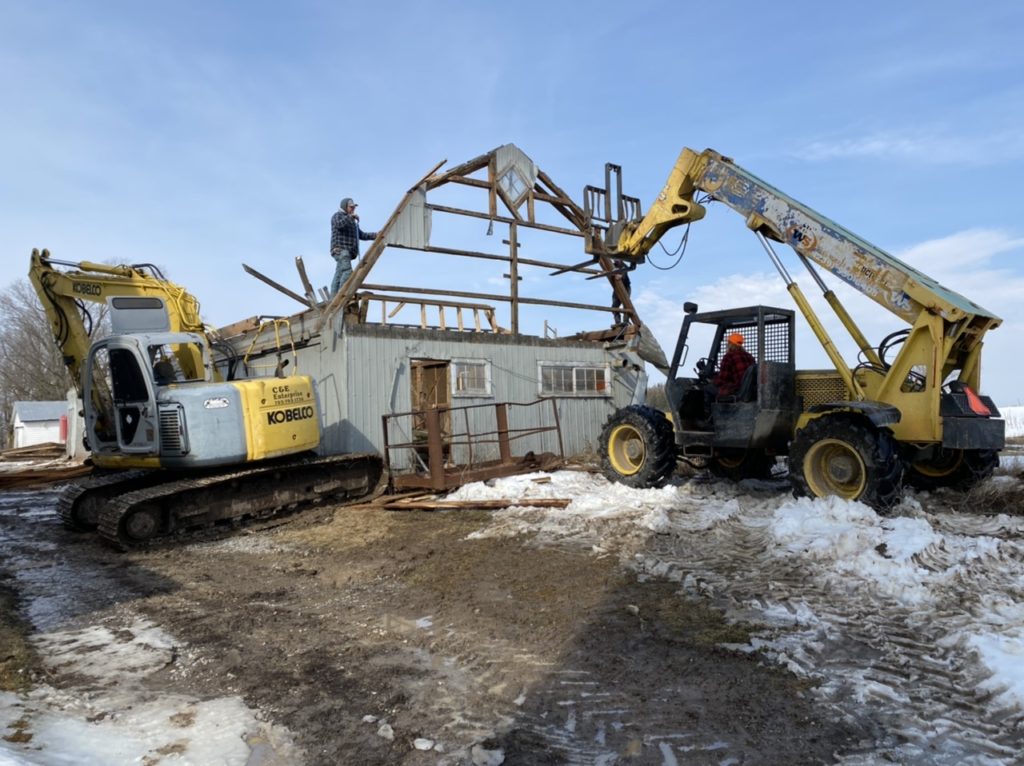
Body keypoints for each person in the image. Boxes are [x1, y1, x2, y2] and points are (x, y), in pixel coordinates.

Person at [329, 197, 378, 296]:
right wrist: (350, 217)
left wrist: (375, 235)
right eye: (351, 207)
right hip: (340, 250)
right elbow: (339, 225)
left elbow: (361, 235)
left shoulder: (351, 221)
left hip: (347, 252)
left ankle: (333, 298)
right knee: (347, 272)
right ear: (345, 207)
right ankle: (342, 296)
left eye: (353, 207)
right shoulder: (337, 216)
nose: (353, 209)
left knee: (339, 274)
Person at [703, 332, 755, 415]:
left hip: (736, 389)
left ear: (730, 343)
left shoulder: (729, 356)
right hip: (749, 391)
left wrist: (712, 381)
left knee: (708, 389)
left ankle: (708, 419)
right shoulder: (750, 357)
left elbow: (723, 378)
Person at [610, 259, 632, 326]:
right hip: (617, 289)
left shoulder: (624, 265)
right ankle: (618, 322)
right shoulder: (613, 265)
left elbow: (624, 274)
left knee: (626, 305)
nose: (616, 260)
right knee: (614, 306)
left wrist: (620, 276)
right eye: (615, 259)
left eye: (618, 259)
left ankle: (625, 321)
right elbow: (608, 271)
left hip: (626, 288)